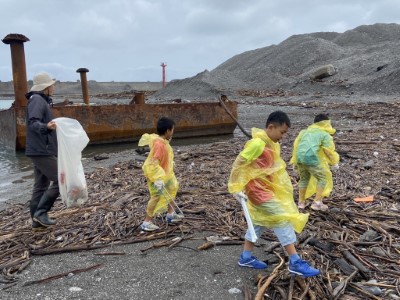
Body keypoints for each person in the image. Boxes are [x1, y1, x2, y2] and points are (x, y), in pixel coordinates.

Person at [228, 111, 320, 277]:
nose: (283, 136)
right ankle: (295, 261)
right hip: (258, 192)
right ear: (271, 127)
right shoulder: (257, 143)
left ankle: (245, 257)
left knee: (258, 221)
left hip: (263, 190)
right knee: (281, 218)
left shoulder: (269, 143)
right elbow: (239, 163)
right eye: (282, 132)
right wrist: (235, 187)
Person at [25, 72, 59, 230]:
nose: (53, 87)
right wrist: (46, 127)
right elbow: (33, 123)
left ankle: (36, 221)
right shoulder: (37, 100)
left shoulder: (39, 100)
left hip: (38, 149)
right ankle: (41, 212)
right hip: (41, 150)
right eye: (51, 84)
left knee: (40, 186)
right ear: (45, 87)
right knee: (61, 179)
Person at [138, 117, 184, 231]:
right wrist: (158, 179)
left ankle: (170, 214)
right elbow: (153, 163)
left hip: (166, 173)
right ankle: (146, 222)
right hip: (157, 175)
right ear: (168, 130)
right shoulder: (159, 144)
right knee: (156, 196)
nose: (173, 132)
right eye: (172, 130)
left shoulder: (163, 141)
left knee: (172, 188)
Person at [291, 113, 340, 211]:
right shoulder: (324, 135)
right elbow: (328, 151)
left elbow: (296, 145)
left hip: (300, 158)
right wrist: (334, 163)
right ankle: (317, 202)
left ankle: (301, 203)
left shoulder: (304, 132)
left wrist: (294, 160)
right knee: (322, 178)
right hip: (311, 158)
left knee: (304, 179)